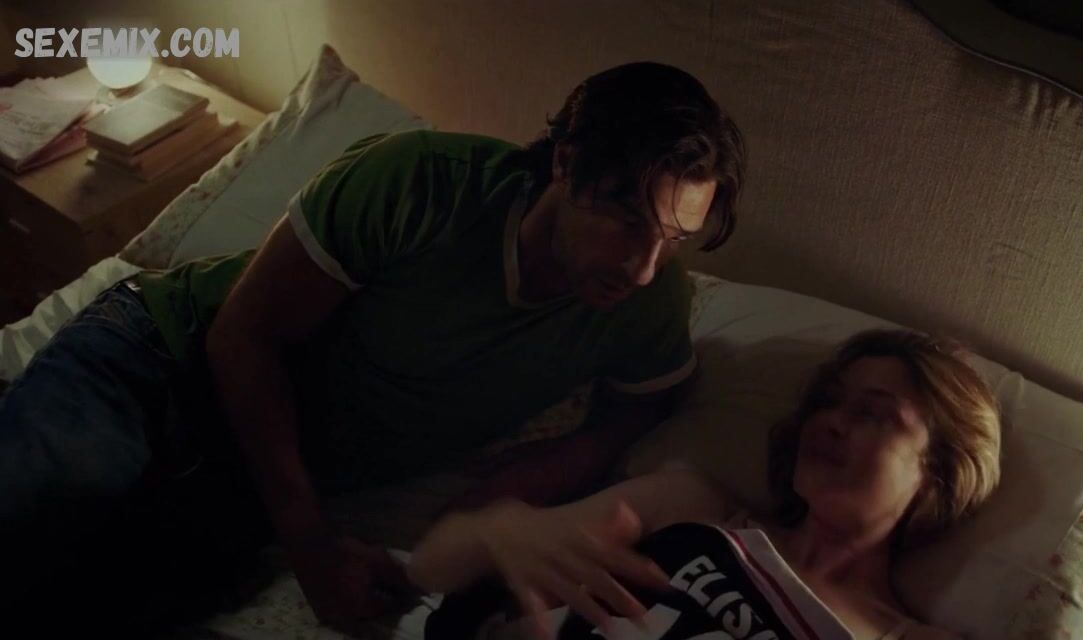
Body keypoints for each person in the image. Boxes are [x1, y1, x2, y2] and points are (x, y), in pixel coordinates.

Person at [0, 61, 745, 634]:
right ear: (567, 163)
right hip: (160, 359)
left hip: (250, 470)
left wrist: (497, 503)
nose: (642, 265)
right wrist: (309, 542)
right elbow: (245, 335)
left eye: (672, 239)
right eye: (628, 221)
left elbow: (636, 413)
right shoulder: (419, 184)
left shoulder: (649, 302)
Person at [408, 329, 1002, 640]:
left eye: (873, 414)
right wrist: (504, 531)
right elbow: (432, 566)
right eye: (828, 401)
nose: (831, 422)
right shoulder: (695, 508)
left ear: (937, 475)